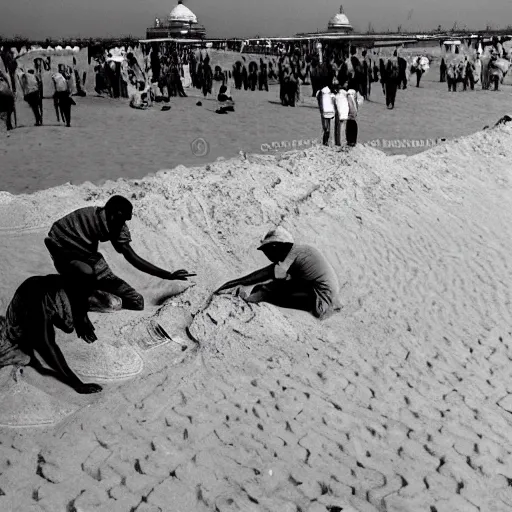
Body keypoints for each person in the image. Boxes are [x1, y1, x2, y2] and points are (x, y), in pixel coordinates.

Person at [44, 195, 196, 342]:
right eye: (121, 218)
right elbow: (52, 241)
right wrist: (81, 317)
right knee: (86, 274)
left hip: (89, 257)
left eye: (125, 220)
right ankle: (77, 307)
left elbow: (132, 257)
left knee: (136, 302)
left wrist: (167, 275)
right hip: (64, 252)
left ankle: (89, 293)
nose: (123, 223)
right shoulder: (88, 217)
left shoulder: (117, 225)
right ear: (110, 214)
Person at [0, 275, 103, 394]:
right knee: (27, 358)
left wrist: (82, 319)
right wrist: (77, 384)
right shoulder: (37, 308)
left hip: (22, 318)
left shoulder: (54, 285)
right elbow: (47, 347)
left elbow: (75, 290)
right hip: (15, 339)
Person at [215, 227, 340, 320]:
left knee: (265, 290)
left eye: (267, 251)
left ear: (276, 246)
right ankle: (246, 297)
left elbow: (265, 274)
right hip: (322, 297)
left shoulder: (291, 255)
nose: (268, 255)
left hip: (318, 302)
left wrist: (229, 285)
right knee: (272, 284)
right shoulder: (298, 252)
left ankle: (245, 300)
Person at [332, 79, 349, 146]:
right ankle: (339, 142)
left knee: (338, 127)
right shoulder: (344, 94)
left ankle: (338, 141)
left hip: (338, 112)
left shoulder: (338, 95)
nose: (347, 84)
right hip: (342, 113)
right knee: (341, 128)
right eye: (346, 82)